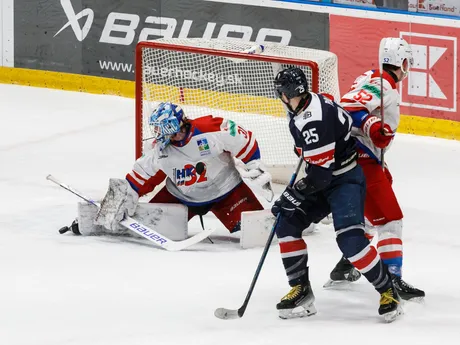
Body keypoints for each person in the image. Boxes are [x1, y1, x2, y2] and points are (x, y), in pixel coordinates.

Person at [271, 67, 402, 322]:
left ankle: (389, 290)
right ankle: (301, 291)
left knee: (350, 241)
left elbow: (320, 177)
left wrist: (294, 194)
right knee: (286, 224)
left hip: (344, 180)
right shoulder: (312, 102)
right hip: (327, 175)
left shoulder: (313, 121)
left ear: (285, 95)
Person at [67, 102, 272, 236]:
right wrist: (112, 206)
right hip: (181, 197)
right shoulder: (158, 150)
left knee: (260, 233)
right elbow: (138, 178)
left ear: (175, 128)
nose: (159, 137)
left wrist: (254, 164)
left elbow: (244, 141)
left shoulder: (212, 129)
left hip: (228, 193)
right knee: (146, 228)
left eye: (163, 131)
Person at [326, 37, 425, 301]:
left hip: (364, 158)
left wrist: (370, 126)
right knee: (391, 220)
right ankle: (392, 280)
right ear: (402, 63)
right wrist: (370, 124)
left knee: (372, 217)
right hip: (362, 160)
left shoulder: (372, 78)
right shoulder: (382, 83)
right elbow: (346, 108)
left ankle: (345, 266)